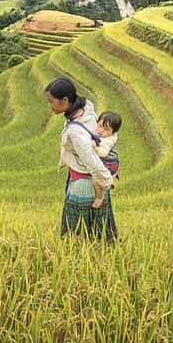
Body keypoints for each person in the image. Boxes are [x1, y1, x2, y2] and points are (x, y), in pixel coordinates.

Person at [46, 77, 116, 240]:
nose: (50, 105)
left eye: (51, 101)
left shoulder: (76, 133)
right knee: (100, 231)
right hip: (95, 181)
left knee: (76, 235)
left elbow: (90, 158)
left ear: (65, 100)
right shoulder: (86, 109)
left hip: (84, 185)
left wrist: (107, 181)